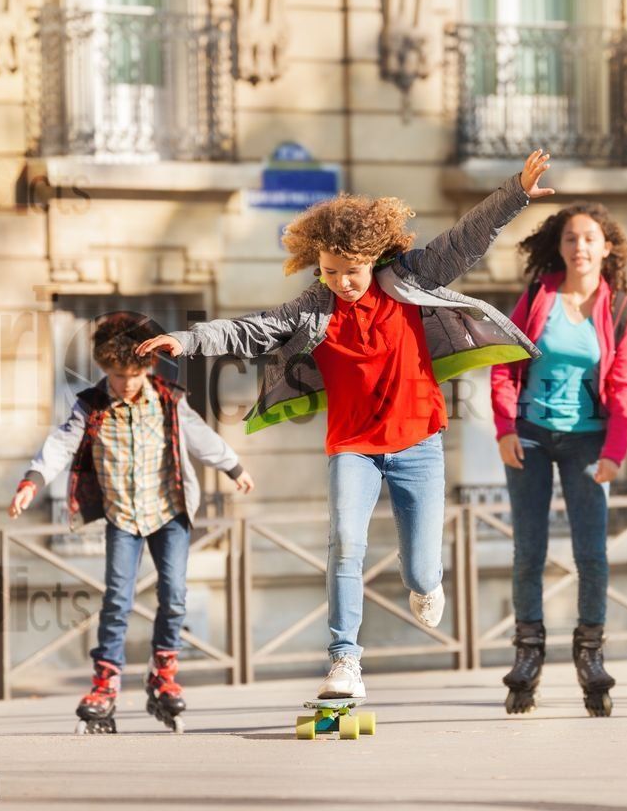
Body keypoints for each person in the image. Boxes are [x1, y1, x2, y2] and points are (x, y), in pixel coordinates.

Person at [137, 150, 555, 700]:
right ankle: (344, 660)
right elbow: (248, 330)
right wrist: (187, 340)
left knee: (424, 571)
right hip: (353, 447)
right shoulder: (314, 307)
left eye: (351, 272)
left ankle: (425, 583)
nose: (342, 284)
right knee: (344, 544)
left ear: (374, 258)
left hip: (419, 443)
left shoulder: (409, 280)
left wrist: (516, 193)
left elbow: (465, 237)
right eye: (330, 273)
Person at [9, 313, 255, 733]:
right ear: (105, 369)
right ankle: (105, 685)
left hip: (169, 511)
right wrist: (31, 482)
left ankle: (163, 675)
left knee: (174, 595)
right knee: (117, 600)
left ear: (148, 367)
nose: (126, 383)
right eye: (118, 374)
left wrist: (234, 468)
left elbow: (201, 438)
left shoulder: (169, 399)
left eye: (134, 374)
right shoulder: (91, 405)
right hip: (122, 516)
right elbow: (59, 445)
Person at [490, 203, 627, 717]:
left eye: (589, 239)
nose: (580, 247)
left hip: (587, 440)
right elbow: (504, 362)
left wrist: (615, 453)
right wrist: (505, 428)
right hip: (530, 437)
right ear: (560, 246)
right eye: (571, 238)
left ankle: (590, 654)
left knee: (591, 553)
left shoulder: (620, 309)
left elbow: (624, 387)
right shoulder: (538, 297)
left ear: (607, 248)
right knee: (528, 551)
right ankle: (528, 654)